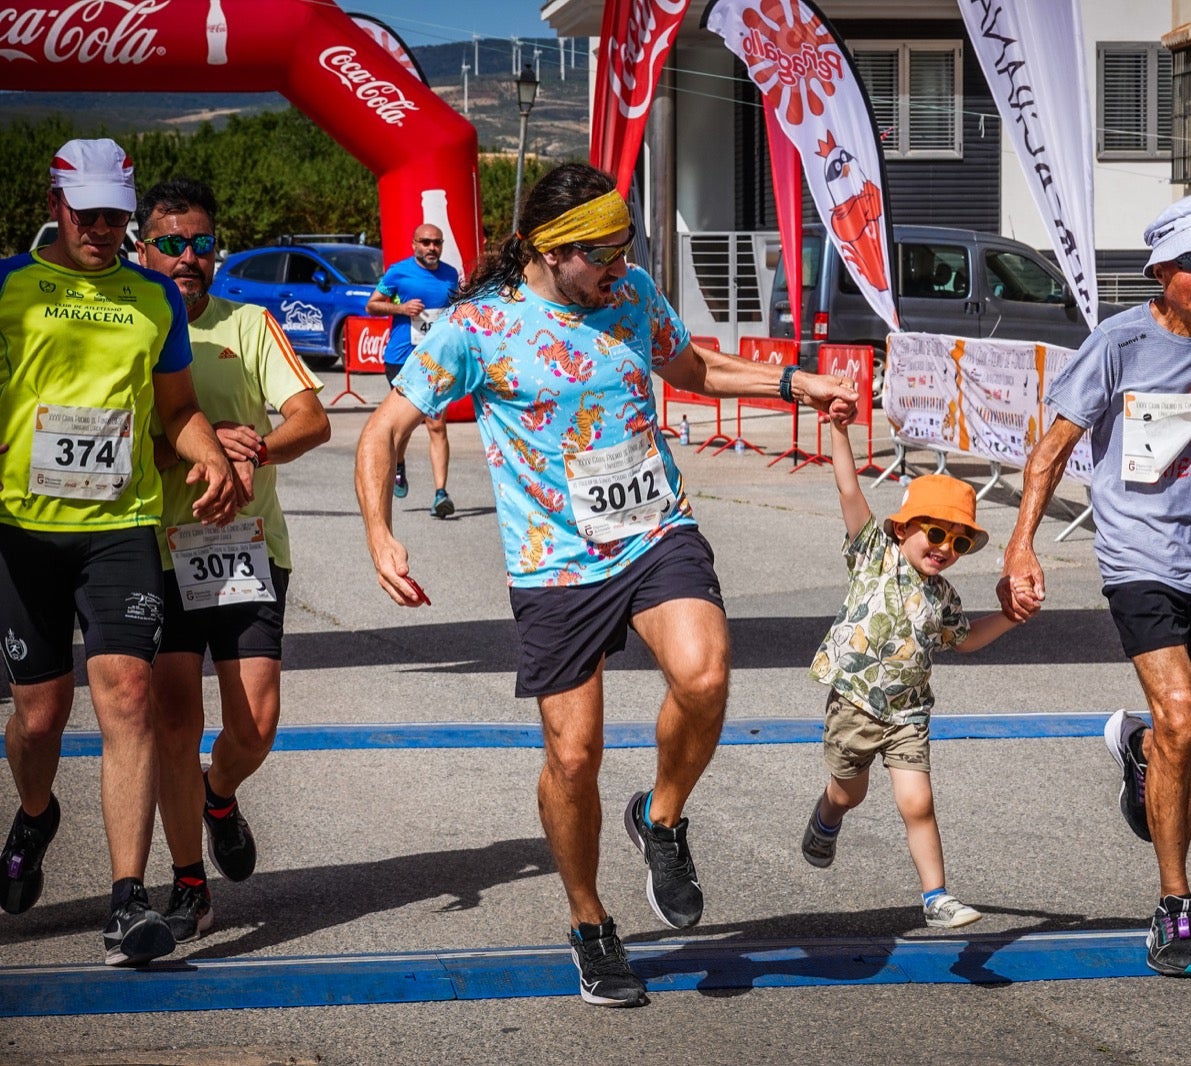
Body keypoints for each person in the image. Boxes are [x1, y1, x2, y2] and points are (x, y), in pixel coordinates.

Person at [354, 163, 857, 1008]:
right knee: (574, 756)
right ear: (546, 251)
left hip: (655, 530)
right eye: (601, 257)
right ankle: (589, 919)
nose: (618, 270)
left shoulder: (629, 296)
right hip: (556, 566)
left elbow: (690, 368)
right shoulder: (475, 329)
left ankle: (660, 818)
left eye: (626, 252)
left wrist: (792, 382)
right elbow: (383, 431)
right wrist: (379, 532)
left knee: (705, 673)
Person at [997, 195, 1191, 978]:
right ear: (1160, 272)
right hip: (1142, 558)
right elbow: (1052, 450)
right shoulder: (1118, 344)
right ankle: (1175, 907)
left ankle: (1137, 748)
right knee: (1180, 719)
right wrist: (1021, 547)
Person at [0, 139, 243, 967]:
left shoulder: (152, 299)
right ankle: (35, 815)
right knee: (39, 715)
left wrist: (206, 450)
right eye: (87, 213)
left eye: (115, 215)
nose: (102, 228)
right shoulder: (8, 286)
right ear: (58, 202)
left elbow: (175, 410)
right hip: (23, 533)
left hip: (120, 527)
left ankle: (127, 900)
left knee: (130, 697)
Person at [135, 177, 331, 943]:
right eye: (173, 244)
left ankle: (220, 795)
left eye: (203, 244)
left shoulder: (248, 323)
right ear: (142, 248)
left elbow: (309, 419)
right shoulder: (129, 327)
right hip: (155, 546)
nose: (189, 257)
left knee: (255, 726)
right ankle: (188, 882)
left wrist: (254, 457)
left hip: (246, 546)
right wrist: (202, 449)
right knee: (174, 721)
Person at [802, 418, 1019, 928]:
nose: (945, 547)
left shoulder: (943, 596)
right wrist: (837, 430)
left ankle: (936, 896)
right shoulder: (873, 554)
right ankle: (827, 817)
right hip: (854, 705)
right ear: (903, 528)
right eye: (937, 532)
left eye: (959, 542)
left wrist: (1010, 617)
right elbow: (848, 488)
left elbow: (964, 640)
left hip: (908, 713)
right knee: (847, 793)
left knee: (917, 802)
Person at [366, 224, 460, 517]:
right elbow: (372, 305)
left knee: (436, 424)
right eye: (426, 242)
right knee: (405, 423)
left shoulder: (450, 274)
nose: (432, 248)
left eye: (437, 243)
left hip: (435, 362)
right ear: (414, 244)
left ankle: (440, 494)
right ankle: (399, 463)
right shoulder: (398, 272)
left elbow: (454, 309)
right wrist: (401, 309)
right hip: (402, 359)